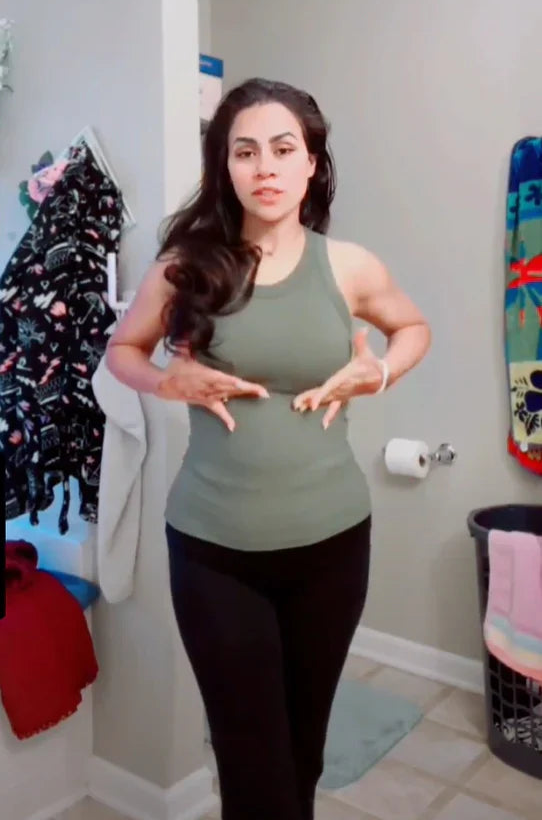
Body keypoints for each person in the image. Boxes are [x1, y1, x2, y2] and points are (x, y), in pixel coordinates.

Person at [106, 78, 431, 820]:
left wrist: (379, 371)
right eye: (245, 152)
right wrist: (165, 380)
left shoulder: (348, 266)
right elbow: (122, 350)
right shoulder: (187, 266)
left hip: (333, 548)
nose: (265, 168)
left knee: (303, 755)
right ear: (224, 166)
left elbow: (413, 328)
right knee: (253, 767)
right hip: (215, 553)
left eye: (283, 150)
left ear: (312, 162)